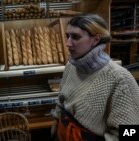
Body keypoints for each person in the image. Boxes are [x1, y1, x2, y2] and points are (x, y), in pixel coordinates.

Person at [51, 13, 139, 141]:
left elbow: (131, 132)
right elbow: (61, 102)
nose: (68, 43)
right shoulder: (71, 66)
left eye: (75, 37)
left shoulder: (119, 78)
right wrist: (55, 128)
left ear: (96, 40)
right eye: (67, 36)